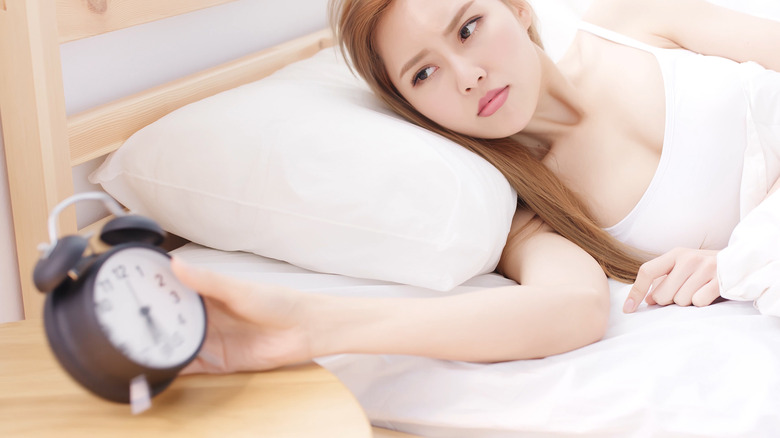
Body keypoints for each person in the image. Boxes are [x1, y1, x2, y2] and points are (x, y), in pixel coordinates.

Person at [175, 0, 780, 374]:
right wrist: (312, 325)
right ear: (414, 108)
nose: (468, 77)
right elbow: (568, 309)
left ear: (517, 8)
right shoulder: (532, 208)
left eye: (467, 27)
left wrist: (746, 250)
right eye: (425, 72)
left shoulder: (633, 20)